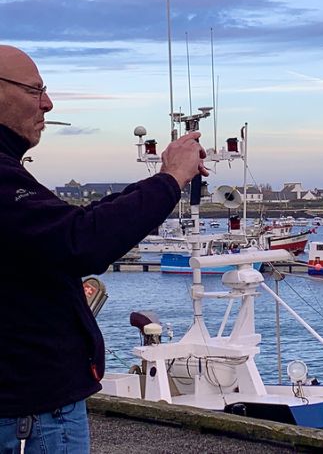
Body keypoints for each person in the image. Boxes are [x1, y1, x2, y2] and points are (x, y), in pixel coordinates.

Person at [0, 45, 209, 453]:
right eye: (34, 90)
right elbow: (82, 241)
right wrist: (170, 179)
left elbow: (70, 224)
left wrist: (162, 181)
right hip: (32, 411)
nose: (47, 103)